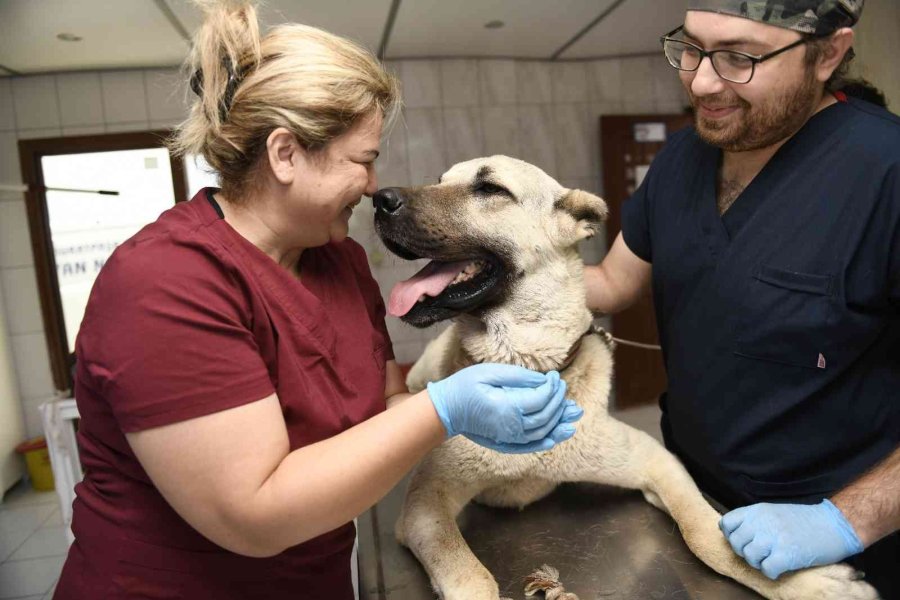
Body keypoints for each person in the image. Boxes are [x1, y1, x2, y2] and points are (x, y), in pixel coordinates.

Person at [54, 2, 582, 598]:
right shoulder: (163, 283)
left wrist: (470, 412)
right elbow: (254, 514)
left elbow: (383, 410)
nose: (374, 186)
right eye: (364, 161)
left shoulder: (340, 262)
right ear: (285, 155)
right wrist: (445, 409)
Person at [585, 0, 899, 597]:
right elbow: (611, 283)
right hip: (697, 509)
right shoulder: (680, 159)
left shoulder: (885, 172)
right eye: (692, 47)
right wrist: (494, 277)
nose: (702, 80)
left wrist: (844, 521)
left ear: (828, 53)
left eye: (739, 57)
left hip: (850, 548)